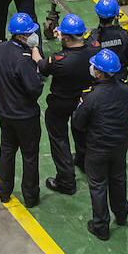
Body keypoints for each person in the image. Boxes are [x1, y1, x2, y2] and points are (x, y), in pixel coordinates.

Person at [73, 48, 128, 240]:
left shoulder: (91, 96)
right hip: (119, 145)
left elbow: (78, 122)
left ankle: (101, 225)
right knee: (118, 178)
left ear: (99, 72)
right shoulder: (126, 89)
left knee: (98, 184)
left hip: (97, 148)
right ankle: (122, 213)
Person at [0, 12, 45, 207]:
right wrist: (37, 64)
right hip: (25, 117)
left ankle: (3, 191)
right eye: (30, 33)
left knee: (7, 150)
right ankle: (30, 196)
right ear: (21, 36)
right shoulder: (23, 60)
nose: (34, 36)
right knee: (29, 156)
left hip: (4, 112)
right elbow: (35, 89)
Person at [38, 13, 95, 194]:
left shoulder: (60, 61)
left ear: (67, 38)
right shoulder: (94, 50)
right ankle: (83, 161)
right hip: (85, 102)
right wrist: (63, 37)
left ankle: (66, 181)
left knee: (59, 139)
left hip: (61, 104)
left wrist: (34, 50)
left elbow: (42, 66)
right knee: (82, 131)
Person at [89, 0, 128, 82]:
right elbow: (127, 59)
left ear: (98, 14)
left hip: (101, 78)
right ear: (116, 15)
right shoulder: (123, 34)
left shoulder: (94, 37)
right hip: (120, 76)